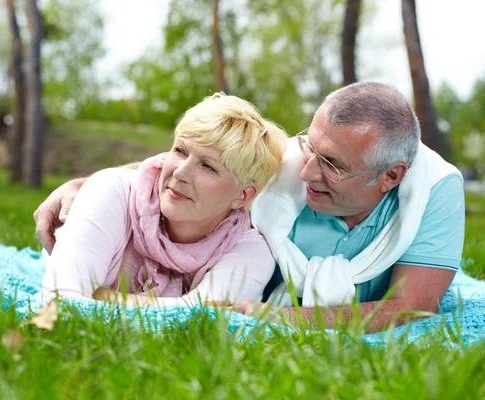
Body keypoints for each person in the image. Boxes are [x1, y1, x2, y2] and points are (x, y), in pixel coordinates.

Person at [35, 82, 465, 332]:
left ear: (390, 176)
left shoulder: (433, 191)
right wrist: (86, 185)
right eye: (309, 146)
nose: (305, 172)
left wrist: (286, 319)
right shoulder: (296, 160)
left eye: (331, 165)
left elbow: (412, 305)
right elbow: (202, 161)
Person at [38, 93, 287, 306]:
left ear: (242, 195)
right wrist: (174, 305)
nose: (180, 172)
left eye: (207, 167)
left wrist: (98, 294)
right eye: (180, 151)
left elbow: (199, 319)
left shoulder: (251, 248)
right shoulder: (111, 190)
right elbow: (59, 298)